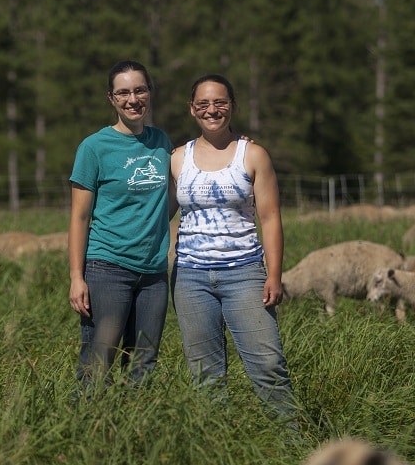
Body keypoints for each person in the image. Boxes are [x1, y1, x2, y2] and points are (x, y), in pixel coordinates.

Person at [170, 73, 298, 423]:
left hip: (244, 274)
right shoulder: (178, 158)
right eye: (204, 103)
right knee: (205, 376)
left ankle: (292, 445)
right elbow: (159, 212)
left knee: (268, 365)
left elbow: (270, 218)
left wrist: (273, 275)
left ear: (233, 106)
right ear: (192, 109)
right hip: (190, 278)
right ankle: (219, 451)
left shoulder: (253, 154)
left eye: (220, 102)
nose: (213, 110)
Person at [68, 60, 172, 387]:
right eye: (123, 92)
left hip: (154, 273)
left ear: (150, 93)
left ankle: (136, 431)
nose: (133, 99)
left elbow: (175, 194)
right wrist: (76, 277)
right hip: (107, 268)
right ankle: (85, 426)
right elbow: (79, 218)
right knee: (100, 359)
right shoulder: (94, 148)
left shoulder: (162, 142)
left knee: (144, 361)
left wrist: (240, 143)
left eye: (139, 90)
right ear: (111, 98)